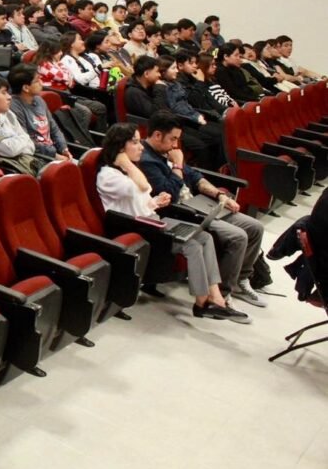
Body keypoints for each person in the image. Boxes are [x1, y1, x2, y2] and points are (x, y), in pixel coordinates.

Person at [96, 123, 248, 322]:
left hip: (153, 221)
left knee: (204, 237)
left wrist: (156, 202)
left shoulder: (127, 172)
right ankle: (202, 302)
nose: (141, 147)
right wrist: (127, 163)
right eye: (135, 142)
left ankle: (216, 298)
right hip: (140, 229)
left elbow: (139, 200)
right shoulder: (108, 176)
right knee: (193, 245)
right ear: (120, 147)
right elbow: (143, 187)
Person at [138, 111, 265, 308]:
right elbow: (169, 193)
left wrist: (219, 195)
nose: (175, 144)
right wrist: (177, 164)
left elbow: (195, 177)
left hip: (200, 203)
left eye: (177, 139)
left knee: (256, 227)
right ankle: (222, 293)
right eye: (173, 139)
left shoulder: (168, 153)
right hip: (183, 212)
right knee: (238, 237)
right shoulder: (146, 160)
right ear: (157, 135)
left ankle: (241, 278)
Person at [7, 64, 72, 161]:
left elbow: (54, 129)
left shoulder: (39, 100)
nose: (41, 83)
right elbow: (26, 141)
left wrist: (64, 148)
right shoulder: (14, 107)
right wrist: (55, 156)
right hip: (36, 157)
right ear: (26, 88)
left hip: (53, 153)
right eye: (37, 80)